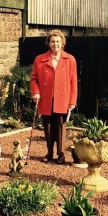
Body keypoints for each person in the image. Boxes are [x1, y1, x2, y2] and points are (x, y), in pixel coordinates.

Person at [30, 29, 78, 164]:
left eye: (58, 41)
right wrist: (36, 92)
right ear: (48, 43)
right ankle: (50, 152)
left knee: (61, 127)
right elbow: (34, 79)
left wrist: (72, 100)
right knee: (48, 126)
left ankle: (61, 154)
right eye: (52, 41)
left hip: (63, 98)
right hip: (46, 98)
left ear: (62, 43)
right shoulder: (39, 59)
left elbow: (73, 81)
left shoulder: (70, 59)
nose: (55, 44)